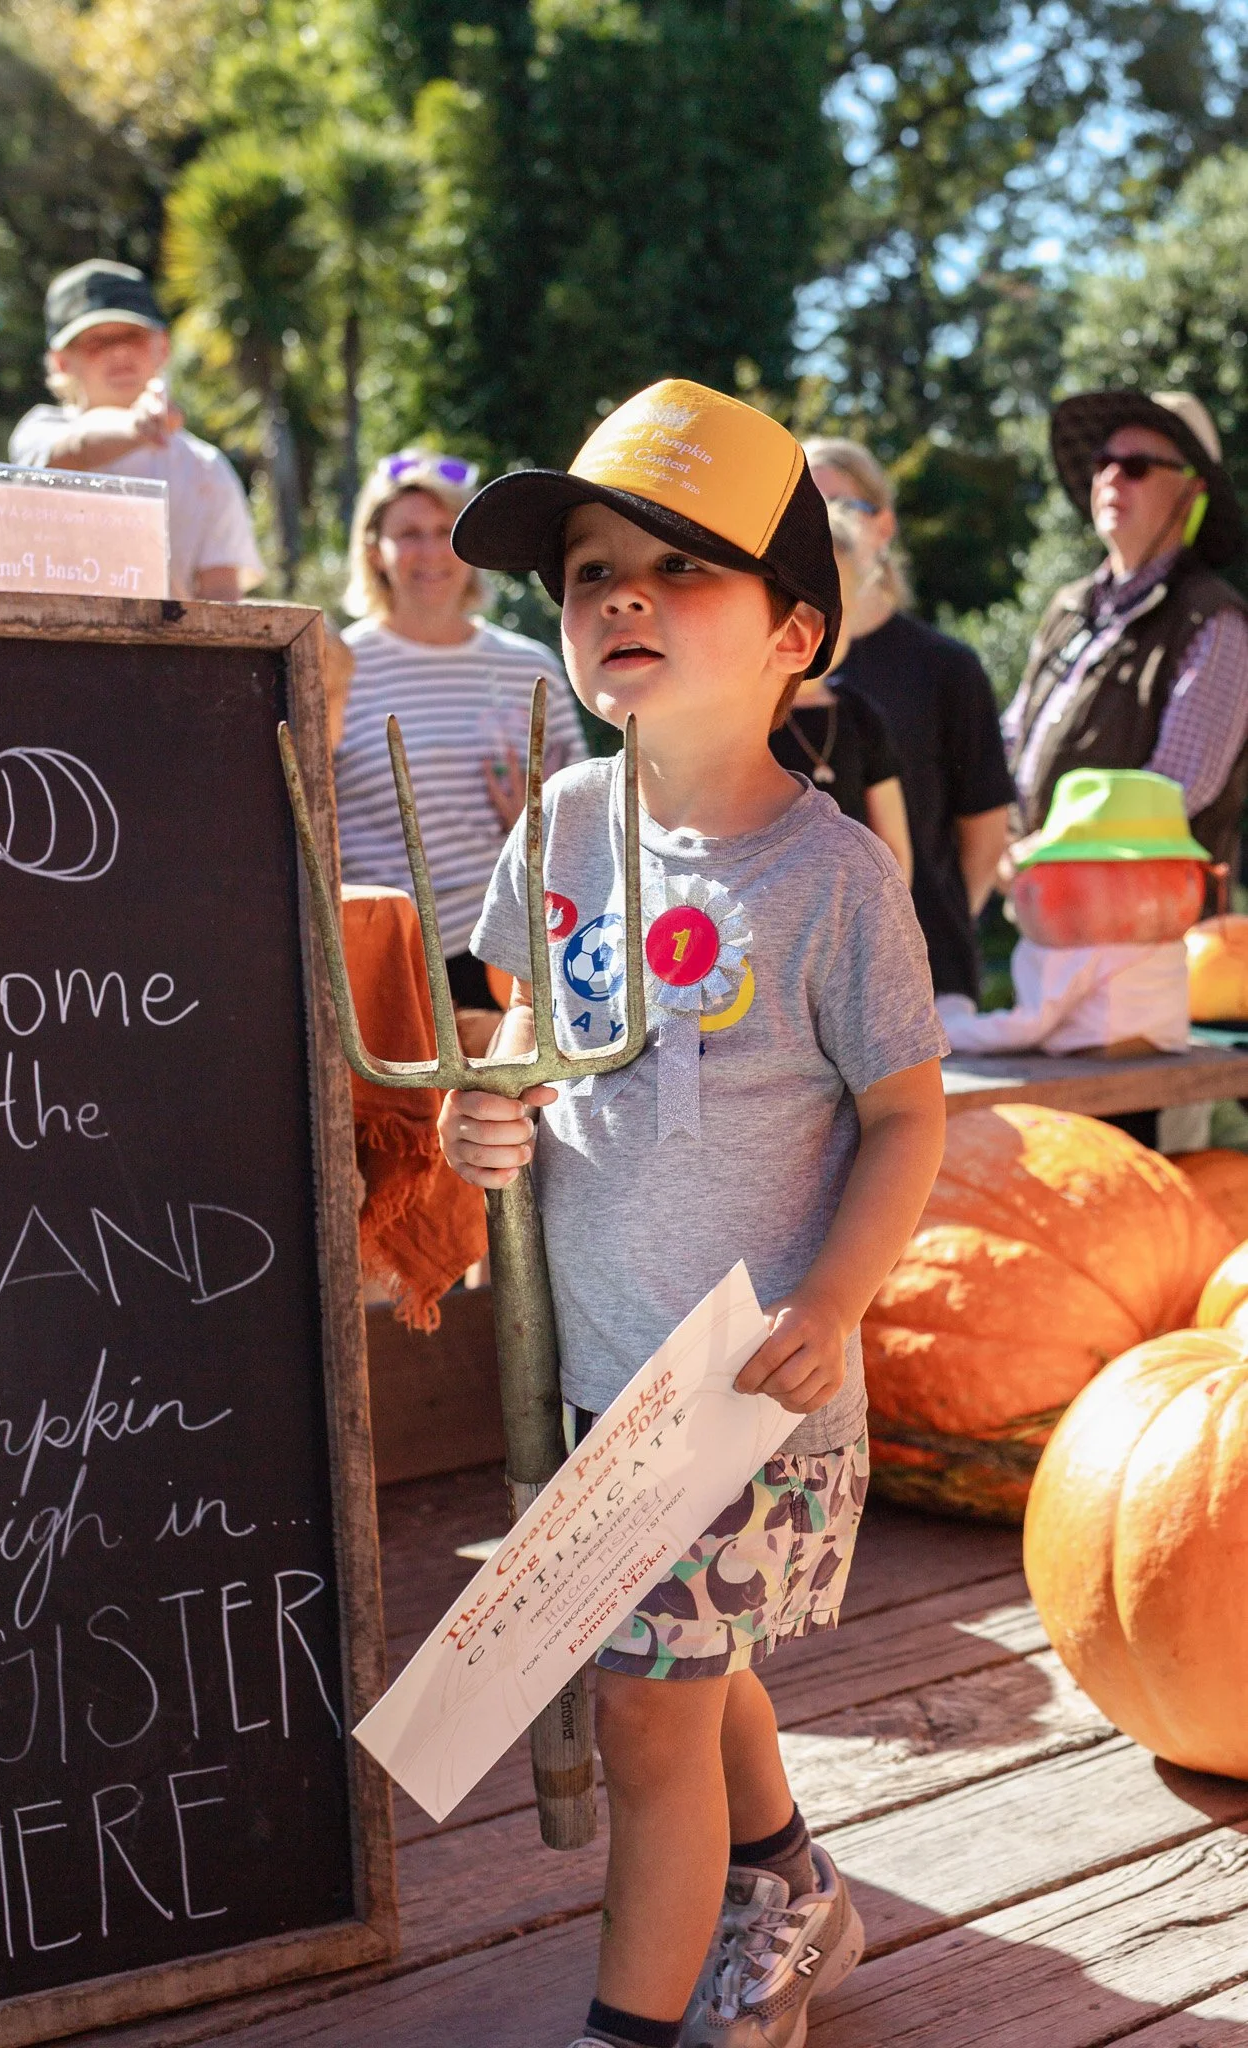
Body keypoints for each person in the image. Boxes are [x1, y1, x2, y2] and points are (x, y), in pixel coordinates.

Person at [438, 380, 947, 2048]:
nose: (622, 596)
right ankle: (795, 1891)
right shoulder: (568, 824)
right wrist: (488, 1104)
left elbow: (906, 1114)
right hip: (605, 1369)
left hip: (753, 1384)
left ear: (798, 630)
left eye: (680, 567)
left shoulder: (832, 884)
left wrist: (839, 1301)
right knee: (693, 1659)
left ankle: (631, 2027)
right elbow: (526, 1027)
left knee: (649, 1724)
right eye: (590, 569)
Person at [334, 449, 586, 1020]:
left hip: (516, 956)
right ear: (374, 550)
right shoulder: (338, 667)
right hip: (384, 962)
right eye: (410, 533)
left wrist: (537, 817)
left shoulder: (531, 667)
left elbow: (584, 823)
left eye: (446, 531)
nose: (430, 551)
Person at [804, 437, 1014, 1000]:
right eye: (803, 505)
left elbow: (985, 829)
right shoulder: (766, 666)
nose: (821, 522)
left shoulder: (947, 667)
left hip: (928, 970)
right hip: (807, 973)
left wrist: (931, 929)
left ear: (884, 527)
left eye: (844, 504)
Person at [1004, 389, 1248, 871]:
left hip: (1153, 931)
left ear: (1191, 491)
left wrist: (1043, 847)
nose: (1112, 475)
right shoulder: (1068, 606)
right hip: (1044, 914)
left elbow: (1175, 788)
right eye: (1103, 462)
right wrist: (1002, 834)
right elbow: (1012, 736)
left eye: (1136, 466)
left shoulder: (1216, 620)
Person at [9, 260, 265, 602]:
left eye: (133, 335)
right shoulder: (38, 433)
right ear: (61, 361)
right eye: (95, 341)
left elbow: (222, 597)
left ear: (163, 347)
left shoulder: (206, 468)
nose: (119, 351)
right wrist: (135, 427)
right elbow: (71, 451)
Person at [770, 502, 912, 880]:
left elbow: (894, 851)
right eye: (797, 607)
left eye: (836, 608)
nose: (814, 627)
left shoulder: (861, 717)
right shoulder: (742, 717)